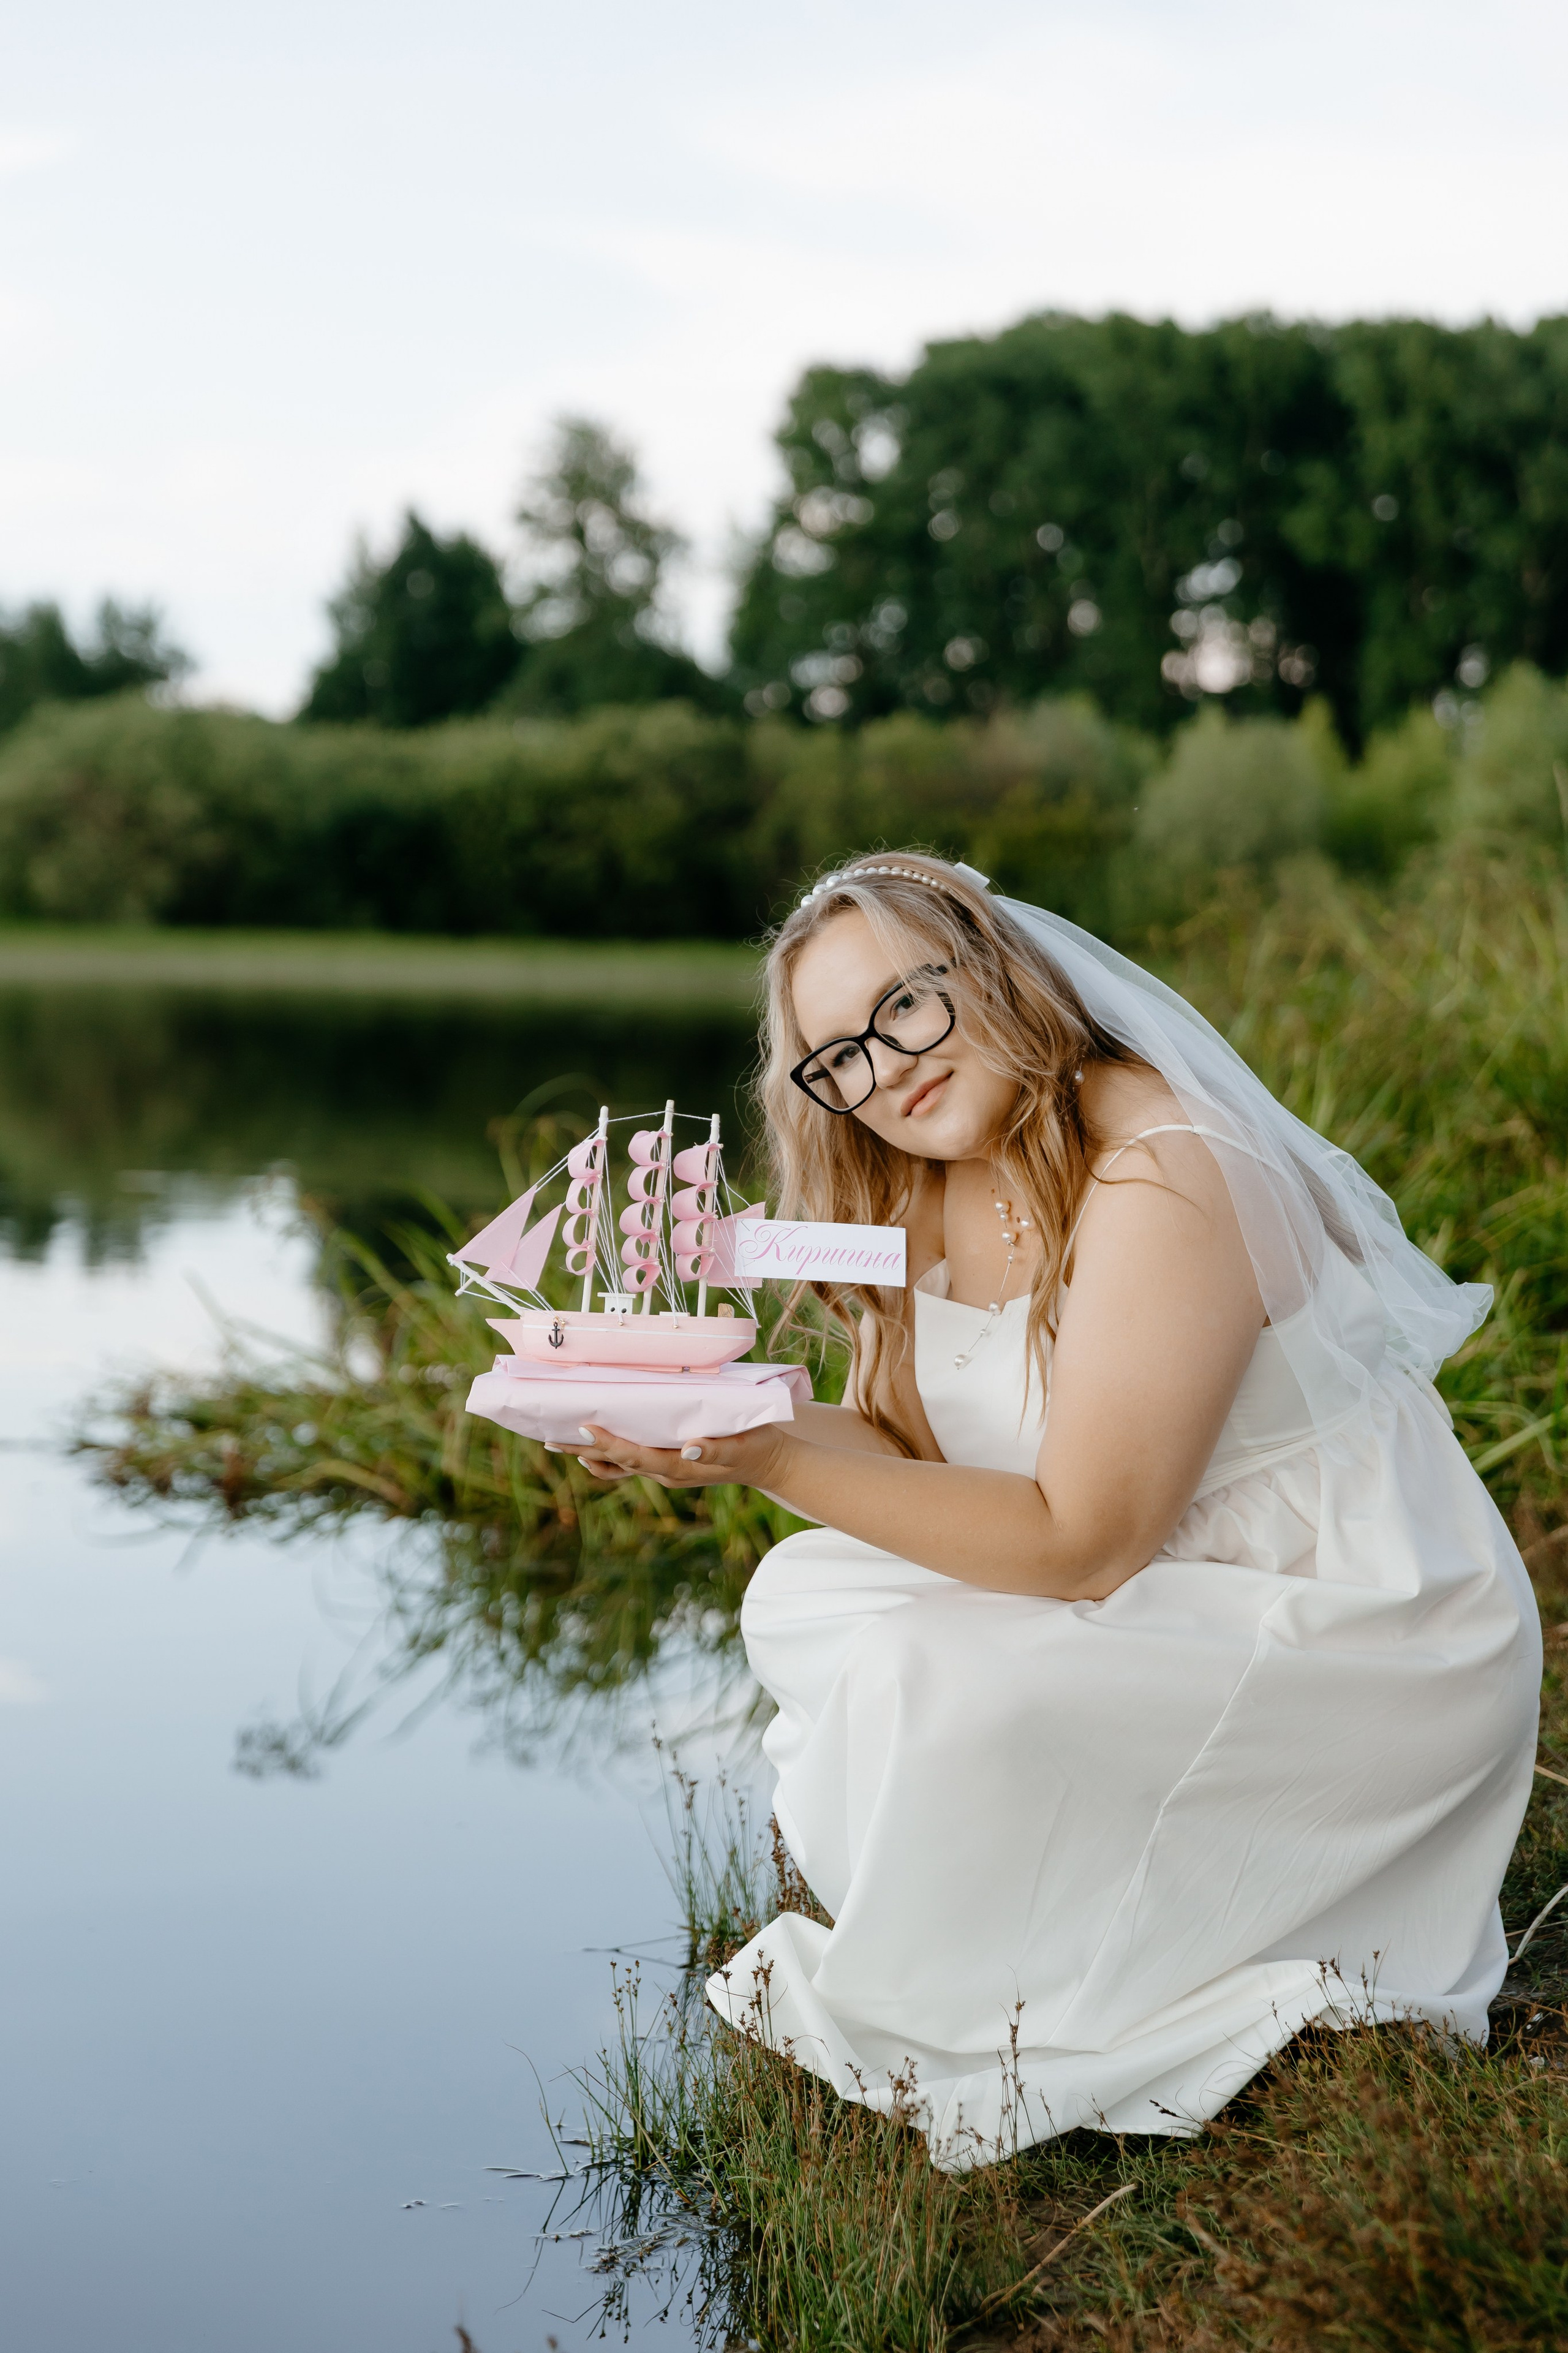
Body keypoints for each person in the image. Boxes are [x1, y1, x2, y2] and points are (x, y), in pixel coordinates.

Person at [573, 853, 1540, 2170]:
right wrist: (717, 1418)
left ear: (988, 962)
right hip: (1163, 1575)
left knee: (931, 1665)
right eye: (836, 1055)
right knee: (804, 1590)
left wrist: (771, 1460)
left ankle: (1075, 1965)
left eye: (904, 1005)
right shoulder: (928, 1173)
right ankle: (1025, 1913)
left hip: (1339, 1618)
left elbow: (1084, 1538)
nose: (884, 1068)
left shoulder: (1160, 1165)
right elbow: (918, 1446)